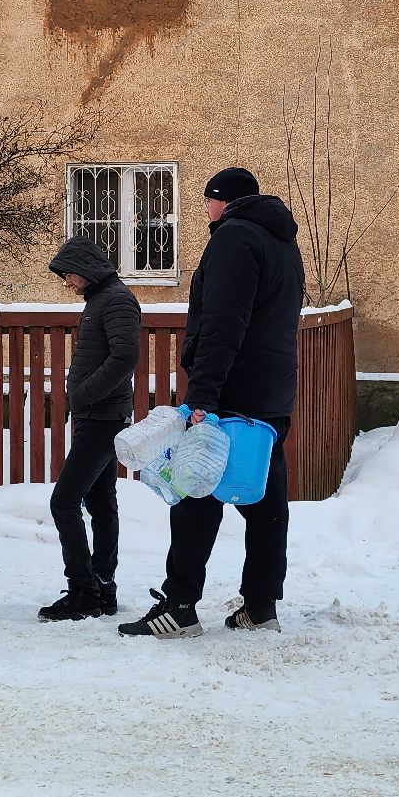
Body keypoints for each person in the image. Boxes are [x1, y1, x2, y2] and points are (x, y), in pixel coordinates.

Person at [120, 167, 305, 640]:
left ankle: (179, 605)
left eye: (207, 200)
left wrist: (202, 395)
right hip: (271, 394)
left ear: (223, 200)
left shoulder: (234, 239)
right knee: (263, 499)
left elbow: (223, 324)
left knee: (193, 492)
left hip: (230, 394)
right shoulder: (282, 244)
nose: (204, 209)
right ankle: (261, 604)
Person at [38, 236, 143, 622]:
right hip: (99, 415)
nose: (67, 282)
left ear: (86, 269)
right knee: (100, 504)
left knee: (64, 502)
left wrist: (83, 395)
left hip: (102, 417)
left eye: (68, 274)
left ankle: (84, 590)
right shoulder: (103, 299)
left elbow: (125, 356)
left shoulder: (115, 299)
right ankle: (102, 589)